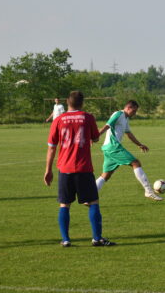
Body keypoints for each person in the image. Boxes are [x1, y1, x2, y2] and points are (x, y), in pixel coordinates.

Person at [44, 91, 115, 247]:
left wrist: (48, 170)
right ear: (82, 103)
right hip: (84, 168)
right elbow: (95, 138)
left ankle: (66, 240)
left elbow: (51, 148)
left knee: (64, 204)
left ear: (67, 103)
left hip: (65, 168)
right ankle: (97, 238)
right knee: (93, 202)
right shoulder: (88, 117)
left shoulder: (59, 120)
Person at [95, 100, 162, 201]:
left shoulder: (125, 118)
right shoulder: (119, 114)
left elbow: (129, 134)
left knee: (106, 175)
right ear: (128, 108)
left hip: (109, 148)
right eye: (134, 111)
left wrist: (139, 144)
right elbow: (107, 125)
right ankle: (148, 191)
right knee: (136, 163)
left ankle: (89, 196)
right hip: (113, 147)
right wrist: (96, 136)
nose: (134, 114)